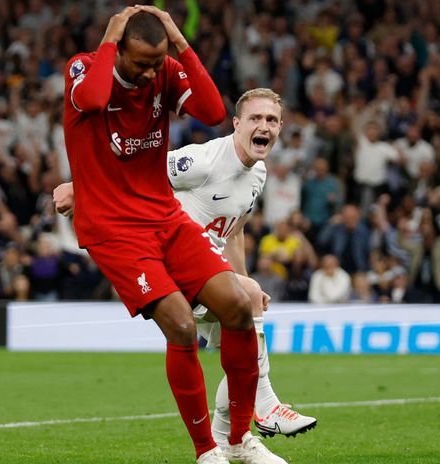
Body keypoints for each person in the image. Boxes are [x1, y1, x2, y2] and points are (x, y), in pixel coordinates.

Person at [60, 6, 284, 463]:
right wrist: (110, 36)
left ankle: (238, 440)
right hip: (112, 228)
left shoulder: (164, 67)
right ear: (117, 47)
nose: (149, 73)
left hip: (163, 215)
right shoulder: (85, 67)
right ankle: (206, 452)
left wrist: (179, 44)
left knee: (238, 306)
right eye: (140, 63)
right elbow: (97, 99)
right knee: (181, 324)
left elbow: (213, 109)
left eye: (156, 62)